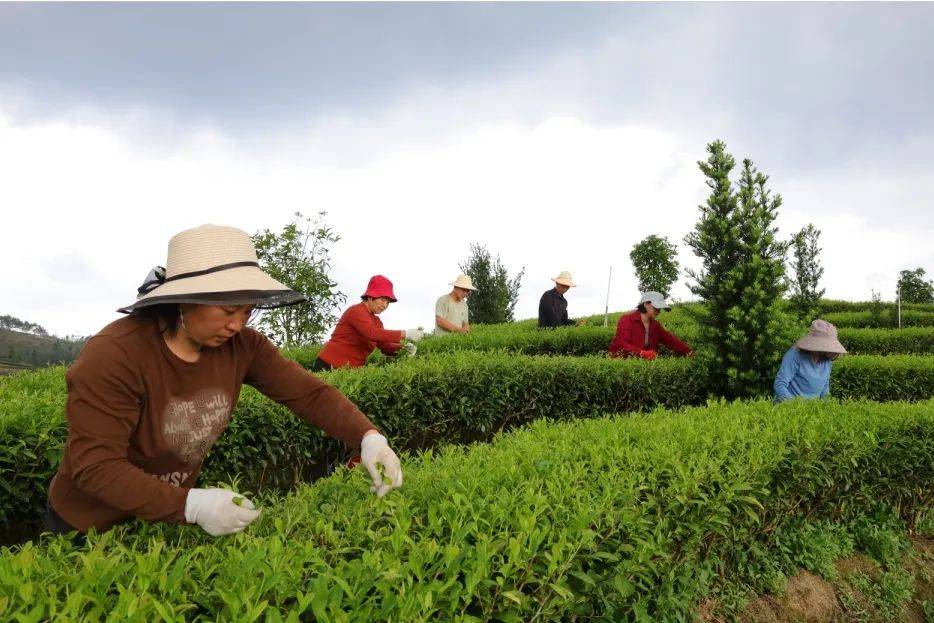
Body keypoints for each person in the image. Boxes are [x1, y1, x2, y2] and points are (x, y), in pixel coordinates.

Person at [45, 224, 403, 538]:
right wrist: (192, 505)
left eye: (247, 312)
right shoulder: (115, 354)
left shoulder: (243, 347)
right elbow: (95, 467)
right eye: (228, 311)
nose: (237, 325)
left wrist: (368, 437)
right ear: (185, 300)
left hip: (162, 521)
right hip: (87, 526)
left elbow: (309, 393)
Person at [313, 275, 424, 371]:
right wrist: (405, 333)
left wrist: (403, 348)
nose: (385, 305)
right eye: (383, 300)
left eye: (388, 302)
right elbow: (371, 333)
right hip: (329, 365)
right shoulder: (356, 311)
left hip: (350, 371)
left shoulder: (377, 321)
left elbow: (384, 345)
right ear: (370, 297)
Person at [773, 319, 847, 402]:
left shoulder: (827, 361)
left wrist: (826, 407)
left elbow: (825, 389)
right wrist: (794, 407)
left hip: (811, 411)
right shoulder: (794, 355)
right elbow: (779, 385)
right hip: (789, 408)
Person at [608, 291, 693, 359]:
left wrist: (689, 352)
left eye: (660, 309)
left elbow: (671, 341)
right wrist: (642, 353)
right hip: (622, 364)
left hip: (643, 367)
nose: (658, 311)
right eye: (656, 308)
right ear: (646, 304)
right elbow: (622, 343)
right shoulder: (627, 319)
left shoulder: (655, 326)